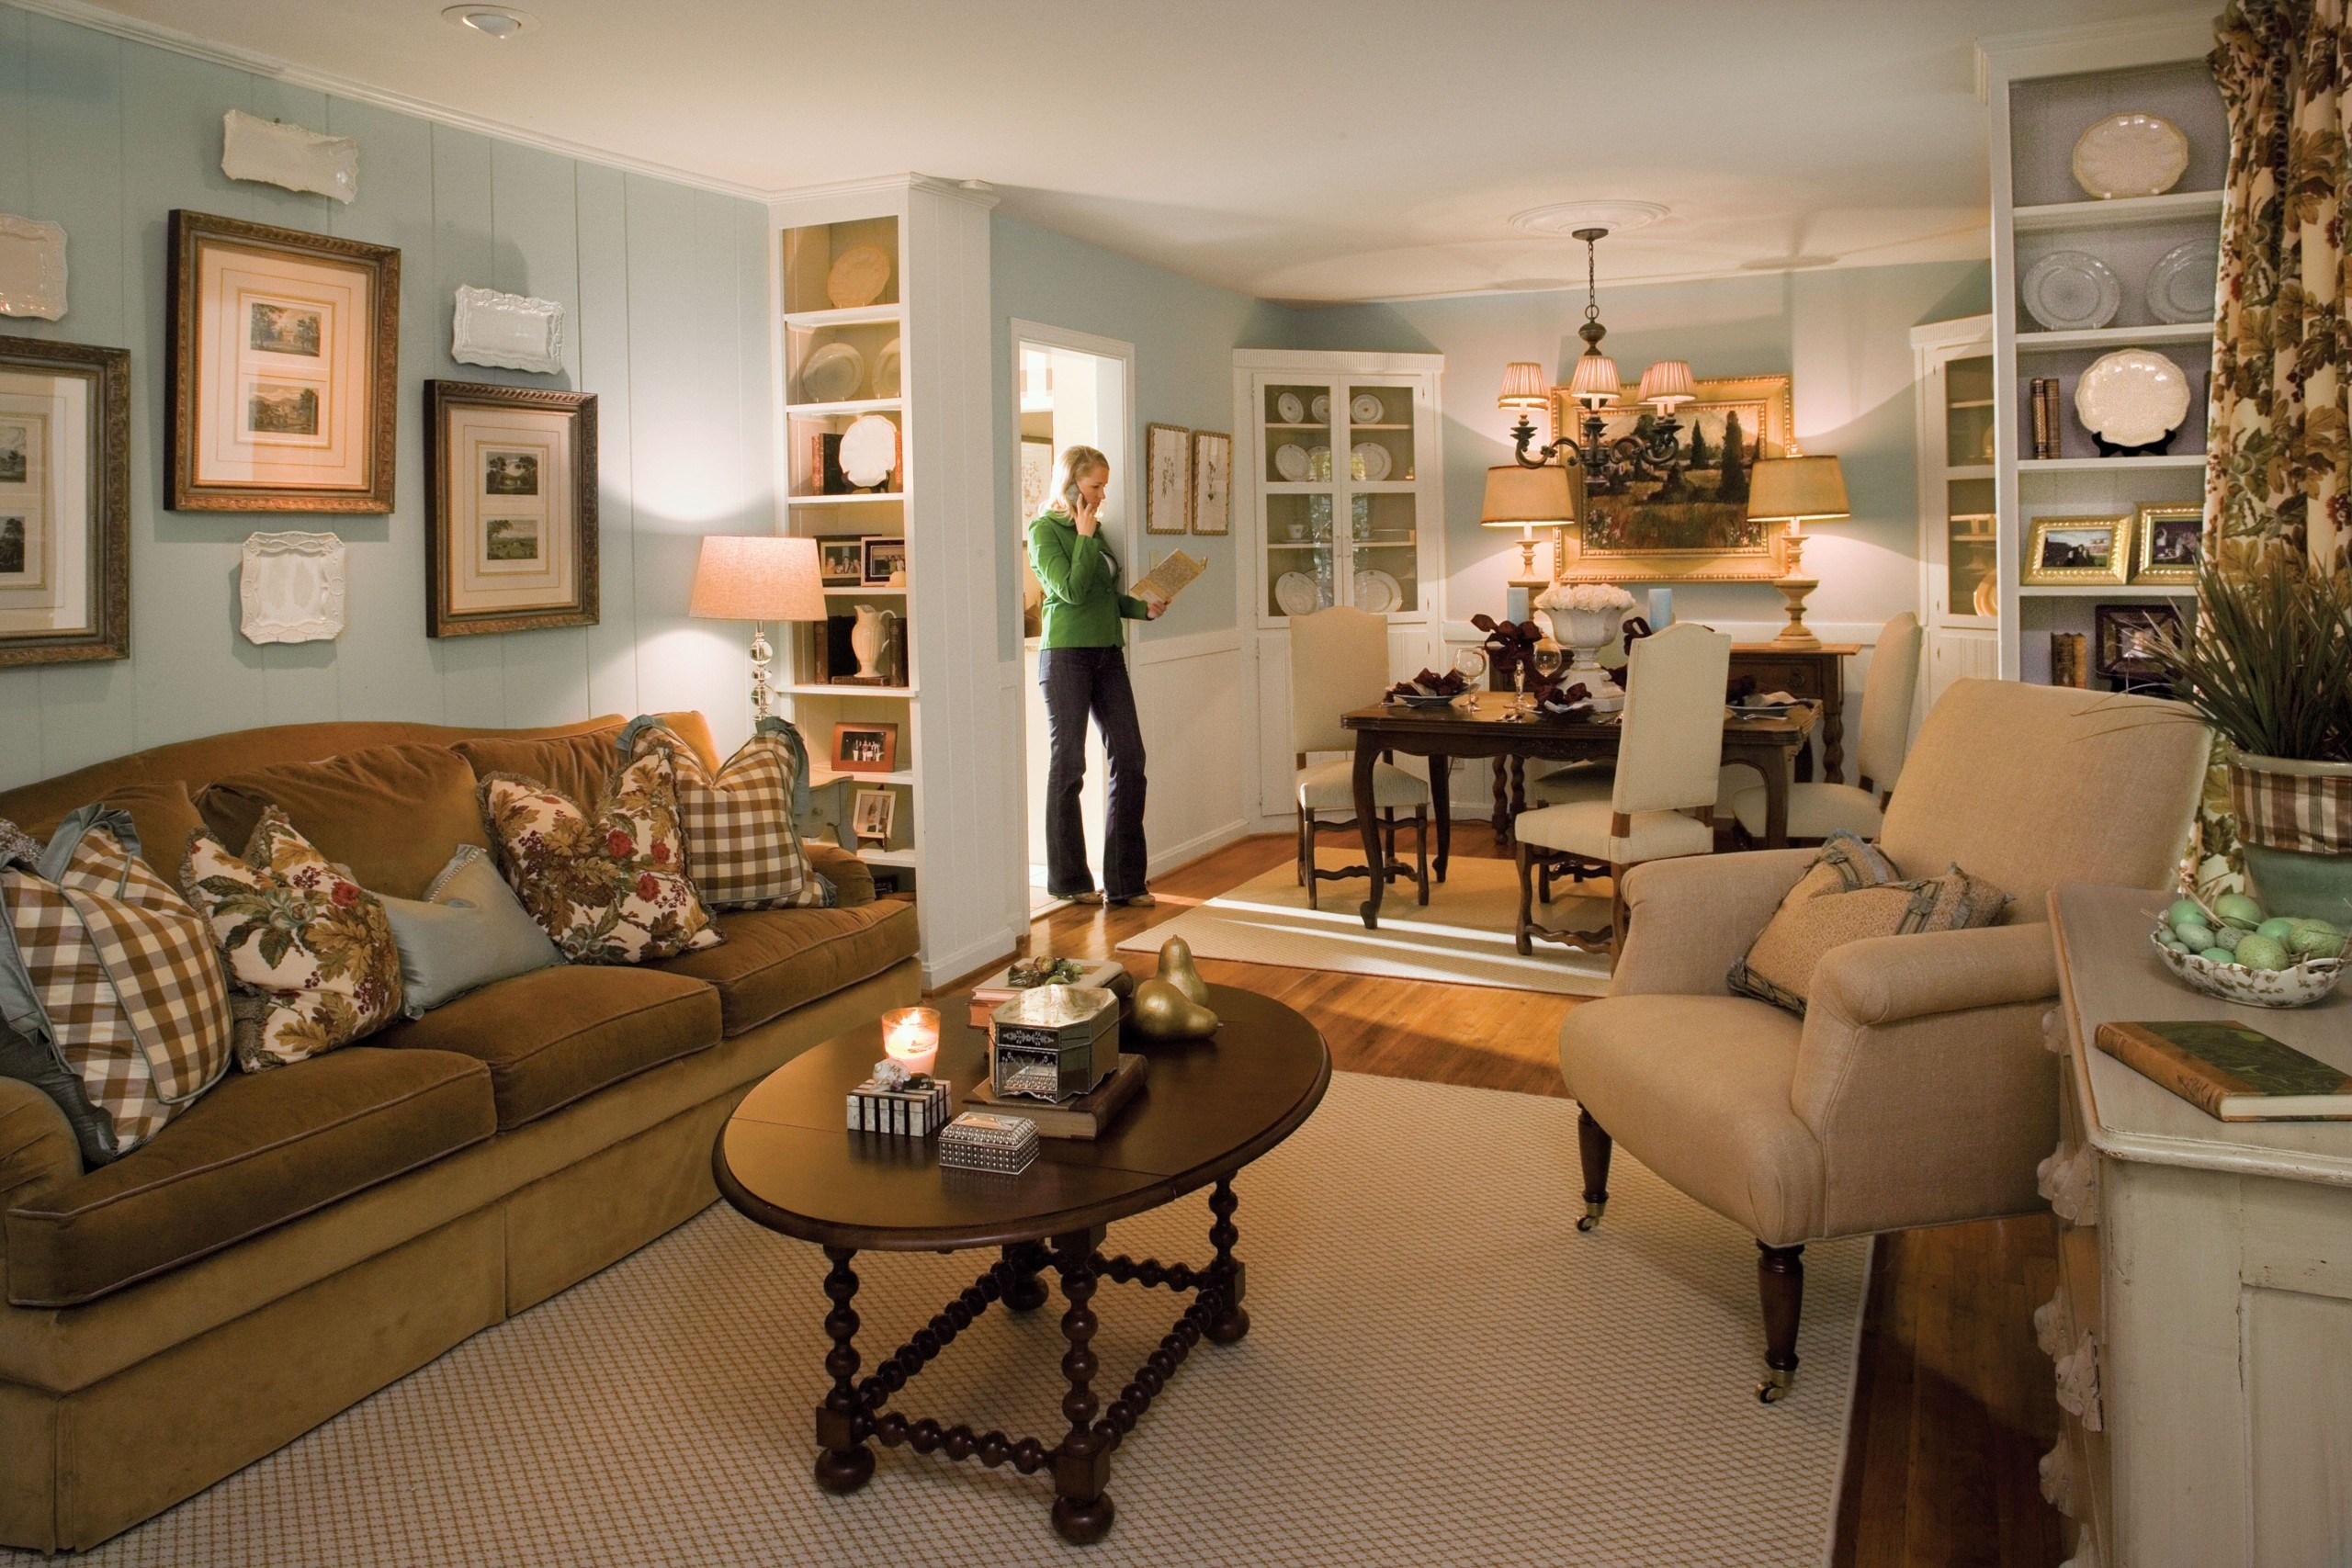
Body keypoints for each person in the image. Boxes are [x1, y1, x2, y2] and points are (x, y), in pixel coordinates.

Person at [1029, 444, 1167, 907]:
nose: (1102, 494)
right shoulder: (1044, 530)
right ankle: (1069, 881)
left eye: (1104, 485)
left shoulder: (1097, 530)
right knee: (1068, 766)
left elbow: (1101, 595)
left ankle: (1125, 881)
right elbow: (1067, 591)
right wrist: (1084, 536)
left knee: (1131, 759)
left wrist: (1141, 608)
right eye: (1095, 485)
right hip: (1065, 655)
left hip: (1108, 652)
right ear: (1070, 484)